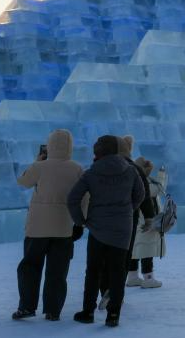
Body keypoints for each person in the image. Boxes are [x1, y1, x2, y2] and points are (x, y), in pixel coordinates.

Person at [68, 135, 146, 327]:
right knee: (118, 272)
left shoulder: (91, 173)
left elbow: (72, 199)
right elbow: (141, 194)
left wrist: (81, 221)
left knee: (93, 271)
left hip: (97, 229)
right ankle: (113, 315)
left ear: (98, 152)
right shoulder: (130, 171)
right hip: (122, 229)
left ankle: (88, 312)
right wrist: (128, 210)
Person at [13, 129, 85, 321]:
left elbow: (23, 182)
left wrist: (38, 162)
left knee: (30, 267)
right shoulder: (77, 168)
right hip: (64, 228)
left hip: (37, 228)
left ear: (49, 145)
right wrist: (80, 222)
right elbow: (84, 197)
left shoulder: (41, 166)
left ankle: (27, 307)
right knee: (58, 271)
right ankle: (53, 310)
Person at [98, 135, 156, 310]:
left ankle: (104, 292)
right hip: (127, 220)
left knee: (104, 259)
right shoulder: (134, 168)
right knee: (121, 259)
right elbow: (143, 194)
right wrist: (147, 216)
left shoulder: (100, 166)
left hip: (103, 220)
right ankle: (115, 295)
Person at [128, 157, 168, 288]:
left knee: (134, 250)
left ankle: (133, 277)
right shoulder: (143, 183)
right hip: (146, 222)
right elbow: (159, 189)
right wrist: (162, 176)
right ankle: (148, 278)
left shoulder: (131, 180)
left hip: (135, 222)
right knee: (147, 251)